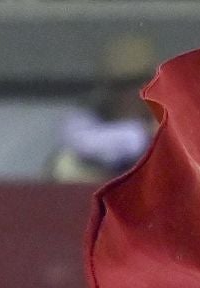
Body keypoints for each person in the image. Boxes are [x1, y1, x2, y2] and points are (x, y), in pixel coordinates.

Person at [49, 34, 157, 183]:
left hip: (150, 197)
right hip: (94, 197)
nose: (131, 94)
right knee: (66, 165)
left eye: (139, 83)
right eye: (122, 86)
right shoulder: (87, 114)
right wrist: (144, 132)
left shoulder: (165, 114)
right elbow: (79, 141)